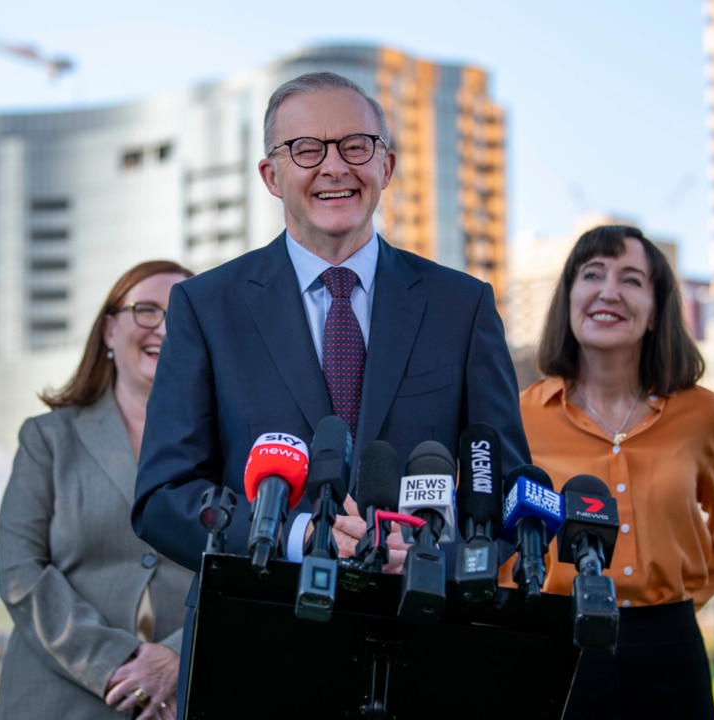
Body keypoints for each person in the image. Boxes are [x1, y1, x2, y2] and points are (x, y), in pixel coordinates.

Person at [131, 71, 530, 712]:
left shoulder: (464, 306)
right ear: (270, 175)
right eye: (307, 150)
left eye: (355, 145)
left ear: (388, 164)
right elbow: (162, 496)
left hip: (422, 648)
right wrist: (292, 536)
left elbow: (508, 489)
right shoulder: (206, 307)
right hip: (255, 650)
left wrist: (441, 552)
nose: (334, 167)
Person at [508, 224, 714, 718]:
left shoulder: (706, 417)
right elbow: (495, 536)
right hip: (557, 641)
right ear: (569, 297)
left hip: (670, 649)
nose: (608, 292)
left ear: (658, 309)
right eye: (591, 274)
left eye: (632, 280)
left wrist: (672, 609)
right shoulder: (520, 415)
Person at [0, 260, 195, 720]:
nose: (164, 328)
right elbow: (19, 572)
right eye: (147, 310)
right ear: (108, 330)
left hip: (184, 699)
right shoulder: (46, 439)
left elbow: (245, 572)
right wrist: (118, 664)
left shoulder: (233, 448)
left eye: (182, 316)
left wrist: (178, 659)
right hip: (58, 698)